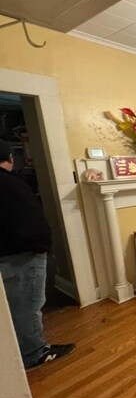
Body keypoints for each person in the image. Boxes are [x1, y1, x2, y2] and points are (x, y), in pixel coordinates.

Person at [0, 139, 75, 371]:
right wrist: (41, 246)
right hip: (21, 254)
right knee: (28, 304)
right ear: (10, 158)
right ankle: (34, 353)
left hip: (8, 253)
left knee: (16, 305)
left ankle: (21, 351)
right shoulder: (11, 184)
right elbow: (30, 219)